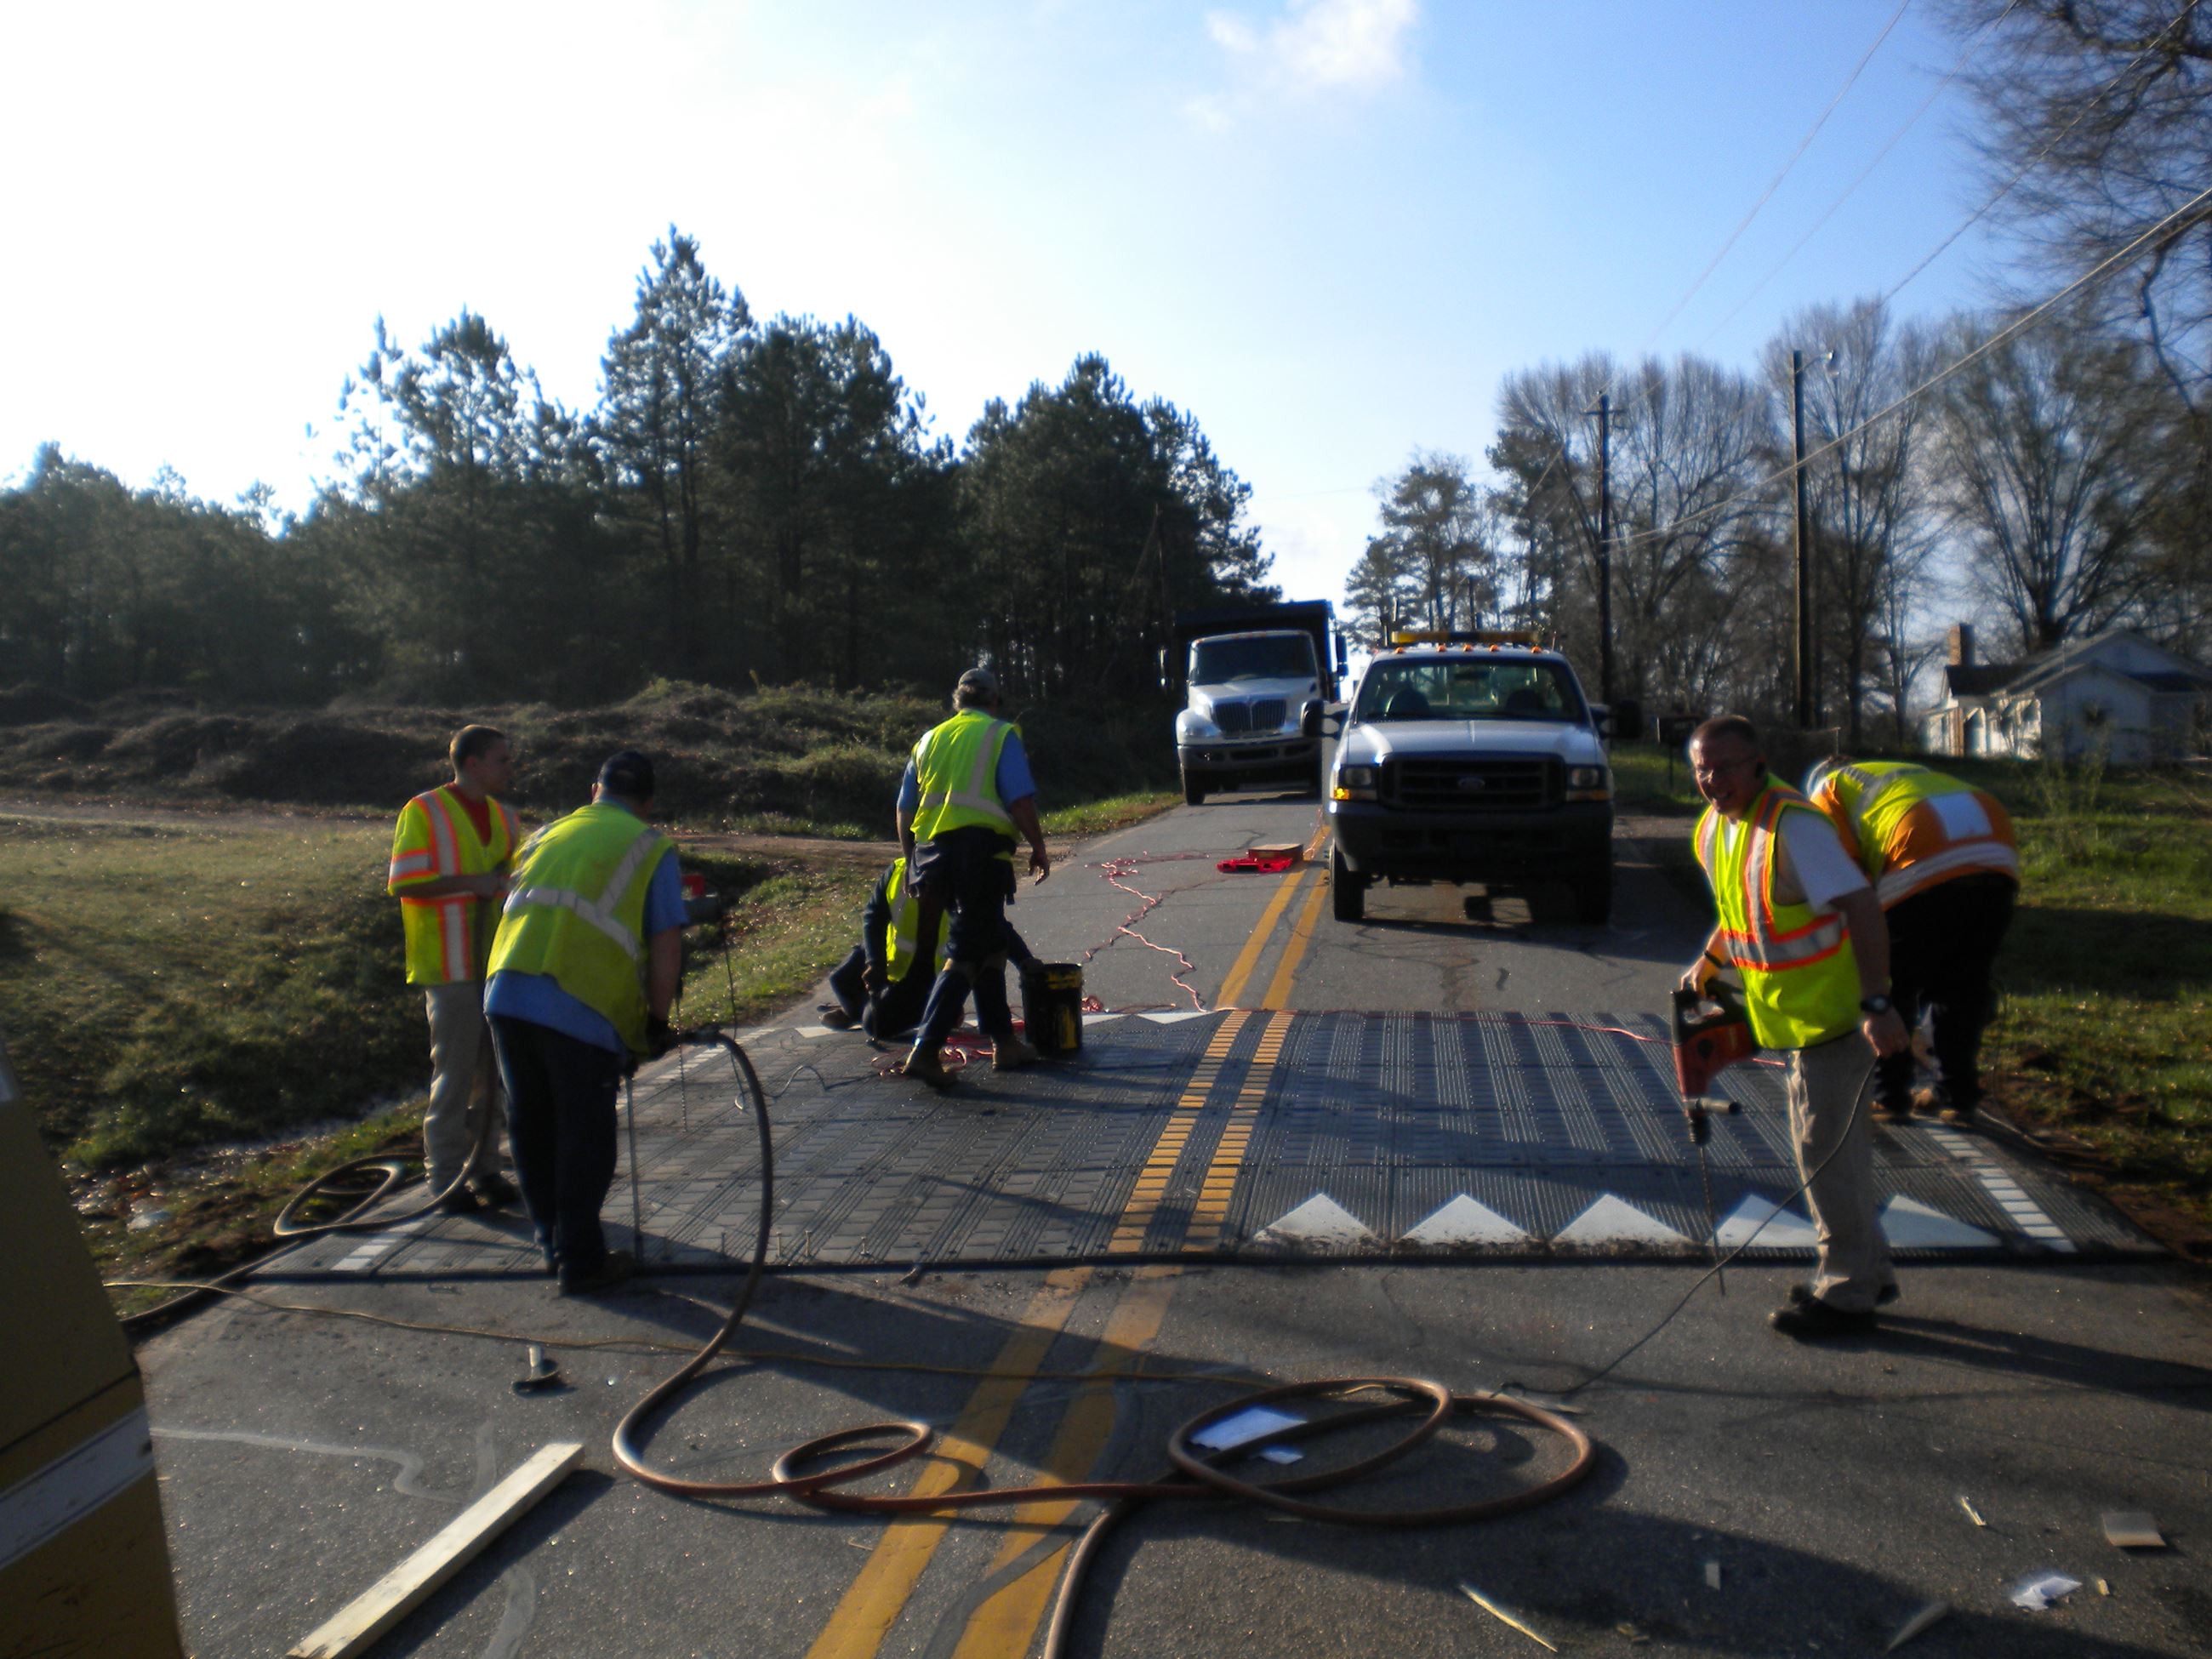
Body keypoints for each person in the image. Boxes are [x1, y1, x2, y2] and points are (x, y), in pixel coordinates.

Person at [1679, 716, 1910, 1340]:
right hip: (1797, 1021)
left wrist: (1878, 1004)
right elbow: (1741, 909)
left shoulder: (1796, 827)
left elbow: (1861, 906)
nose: (1712, 780)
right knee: (1833, 1154)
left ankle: (1847, 1293)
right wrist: (1712, 958)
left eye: (1725, 767)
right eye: (1702, 767)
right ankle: (1871, 1271)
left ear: (1758, 764)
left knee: (1824, 1158)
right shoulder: (1716, 829)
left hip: (1838, 1020)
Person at [483, 751, 685, 1295]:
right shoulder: (650, 846)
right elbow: (667, 943)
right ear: (647, 802)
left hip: (506, 990)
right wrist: (657, 1021)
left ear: (593, 790)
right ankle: (582, 1262)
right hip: (581, 1003)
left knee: (532, 1124)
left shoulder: (547, 833)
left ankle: (553, 1242)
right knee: (583, 1135)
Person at [1803, 757, 2019, 1129]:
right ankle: (1957, 1096)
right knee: (1961, 984)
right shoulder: (1895, 776)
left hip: (1921, 849)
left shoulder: (1827, 792)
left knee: (1891, 981)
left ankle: (1890, 1097)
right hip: (1996, 847)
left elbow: (1850, 882)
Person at [386, 725, 524, 1214]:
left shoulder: (506, 819)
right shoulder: (423, 811)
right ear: (472, 763)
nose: (510, 768)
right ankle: (445, 1177)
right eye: (502, 760)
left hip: (495, 964)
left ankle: (486, 1168)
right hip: (448, 965)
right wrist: (474, 883)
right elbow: (406, 883)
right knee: (455, 1073)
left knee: (494, 1074)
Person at [896, 667, 1052, 1086]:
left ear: (956, 703)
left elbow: (905, 811)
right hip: (979, 854)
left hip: (933, 857)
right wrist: (1038, 846)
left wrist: (912, 860)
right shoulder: (1001, 735)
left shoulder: (928, 740)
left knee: (991, 941)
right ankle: (925, 1050)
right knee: (968, 951)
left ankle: (1004, 1043)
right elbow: (1019, 799)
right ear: (994, 702)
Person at [823, 855, 1039, 1040]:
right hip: (893, 961)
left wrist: (1025, 960)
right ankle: (855, 1010)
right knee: (840, 980)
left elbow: (996, 926)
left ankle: (943, 1010)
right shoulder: (897, 872)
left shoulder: (960, 883)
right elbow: (873, 917)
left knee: (876, 1024)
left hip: (928, 973)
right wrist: (875, 963)